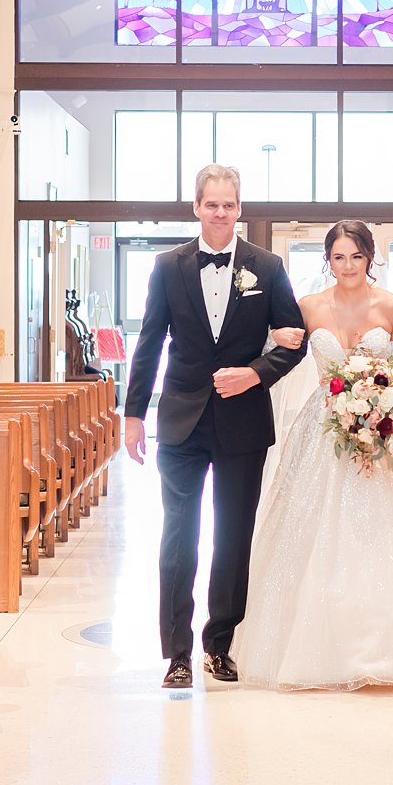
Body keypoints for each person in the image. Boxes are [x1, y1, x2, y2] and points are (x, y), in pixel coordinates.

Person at [233, 220, 393, 689]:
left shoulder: (392, 307)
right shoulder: (308, 306)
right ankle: (319, 647)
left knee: (386, 534)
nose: (347, 265)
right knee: (314, 529)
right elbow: (285, 354)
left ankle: (390, 647)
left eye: (356, 256)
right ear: (327, 260)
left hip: (383, 427)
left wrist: (387, 420)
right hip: (323, 427)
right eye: (338, 257)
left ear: (370, 258)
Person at [122, 164, 306, 689]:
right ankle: (176, 652)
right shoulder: (167, 266)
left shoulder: (266, 268)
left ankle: (218, 644)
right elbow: (150, 343)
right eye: (212, 204)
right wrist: (134, 415)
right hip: (181, 419)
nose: (221, 213)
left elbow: (294, 341)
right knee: (178, 536)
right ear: (196, 207)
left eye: (229, 204)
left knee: (232, 537)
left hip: (242, 423)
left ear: (240, 208)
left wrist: (254, 374)